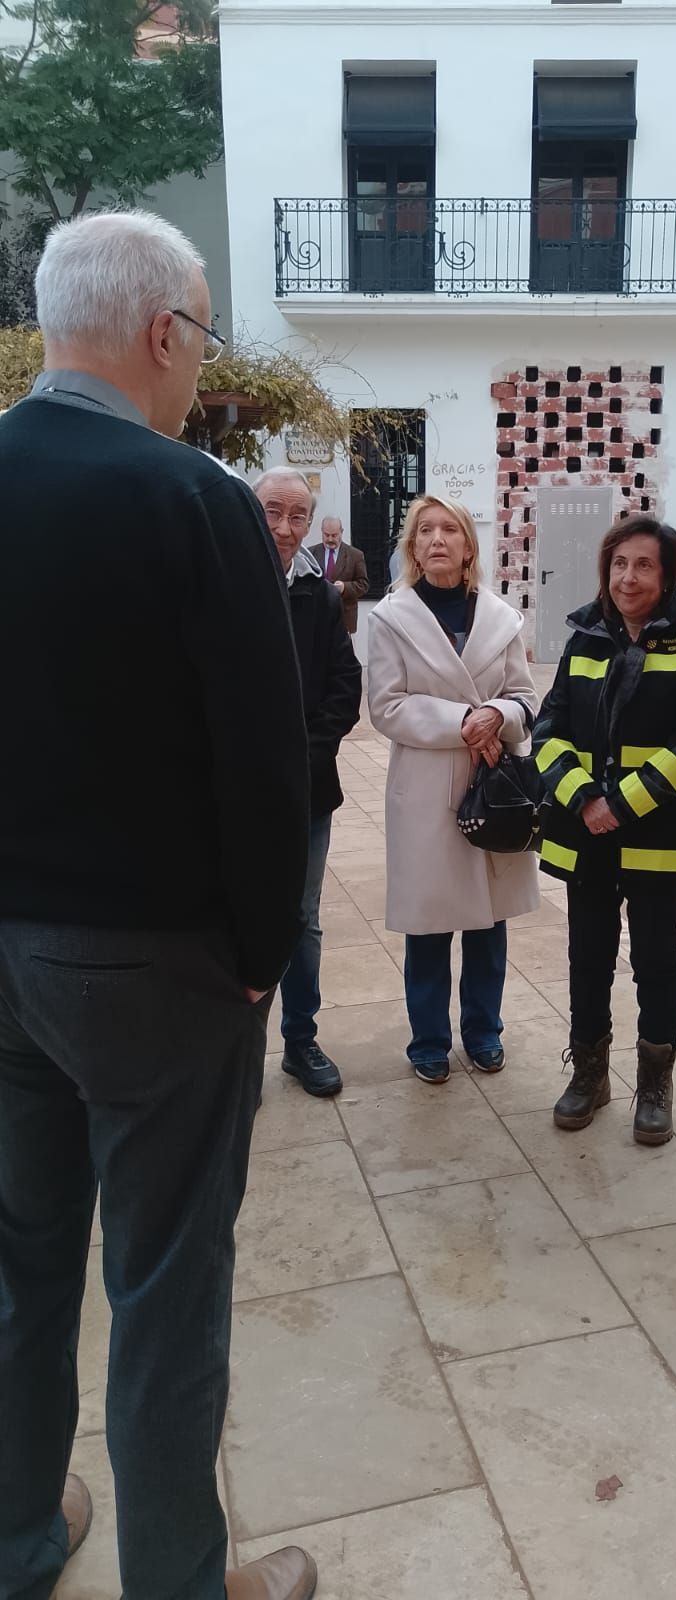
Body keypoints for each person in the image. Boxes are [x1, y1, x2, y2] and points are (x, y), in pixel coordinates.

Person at [0, 212, 317, 1600]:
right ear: (162, 335)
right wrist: (262, 959)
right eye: (200, 335)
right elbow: (263, 762)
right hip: (150, 969)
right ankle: (178, 1584)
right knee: (165, 1291)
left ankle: (16, 1542)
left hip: (2, 957)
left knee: (20, 1273)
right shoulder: (189, 498)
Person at [533, 515, 676, 1141]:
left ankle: (655, 1084)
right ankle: (590, 1074)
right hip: (585, 833)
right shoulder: (585, 638)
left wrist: (622, 803)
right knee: (586, 957)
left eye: (644, 565)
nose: (628, 577)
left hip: (657, 837)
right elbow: (547, 730)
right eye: (619, 564)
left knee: (655, 959)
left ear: (668, 573)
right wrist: (585, 797)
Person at [367, 495, 540, 1082]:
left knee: (489, 922)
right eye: (425, 531)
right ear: (412, 547)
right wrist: (461, 723)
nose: (437, 539)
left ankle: (485, 1032)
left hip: (493, 781)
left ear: (469, 546)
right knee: (430, 923)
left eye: (450, 530)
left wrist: (498, 713)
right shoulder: (392, 617)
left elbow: (525, 696)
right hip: (426, 788)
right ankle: (429, 1043)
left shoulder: (501, 616)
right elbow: (386, 706)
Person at [254, 467, 362, 1097]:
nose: (285, 529)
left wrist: (300, 759)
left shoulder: (319, 597)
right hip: (231, 793)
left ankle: (300, 1040)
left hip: (304, 791)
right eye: (272, 512)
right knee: (232, 914)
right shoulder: (221, 585)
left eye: (297, 515)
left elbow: (344, 690)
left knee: (302, 916)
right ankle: (236, 1052)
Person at [309, 516, 369, 634]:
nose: (330, 539)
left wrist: (344, 587)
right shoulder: (311, 553)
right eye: (326, 535)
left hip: (344, 620)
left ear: (341, 532)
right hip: (316, 619)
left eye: (334, 535)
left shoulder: (355, 555)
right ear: (322, 531)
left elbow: (364, 585)